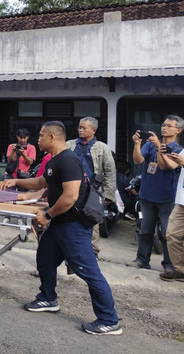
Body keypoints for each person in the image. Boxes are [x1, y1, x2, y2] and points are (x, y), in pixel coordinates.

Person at [0, 121, 121, 336]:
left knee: (89, 273)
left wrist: (47, 214)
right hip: (59, 224)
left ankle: (109, 320)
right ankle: (47, 298)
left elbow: (70, 196)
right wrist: (14, 181)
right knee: (45, 259)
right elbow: (41, 182)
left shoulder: (68, 160)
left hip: (73, 226)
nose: (38, 140)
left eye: (41, 136)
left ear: (52, 137)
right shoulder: (56, 160)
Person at [127, 116, 183, 272]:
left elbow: (166, 166)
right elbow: (137, 160)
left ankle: (169, 265)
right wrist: (137, 145)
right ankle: (142, 260)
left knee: (167, 233)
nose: (164, 128)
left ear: (178, 130)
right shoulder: (150, 145)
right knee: (145, 230)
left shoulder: (178, 150)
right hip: (147, 194)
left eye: (169, 126)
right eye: (163, 125)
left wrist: (159, 146)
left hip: (167, 197)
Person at [66, 117, 116, 259]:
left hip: (92, 192)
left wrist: (108, 195)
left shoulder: (102, 148)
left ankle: (92, 254)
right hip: (70, 190)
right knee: (67, 221)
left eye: (84, 128)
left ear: (93, 130)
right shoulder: (70, 145)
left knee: (91, 222)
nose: (80, 130)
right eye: (79, 127)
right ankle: (69, 252)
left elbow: (110, 172)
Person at [158, 141, 184, 281]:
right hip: (181, 202)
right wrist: (160, 153)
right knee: (172, 234)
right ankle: (180, 270)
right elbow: (172, 165)